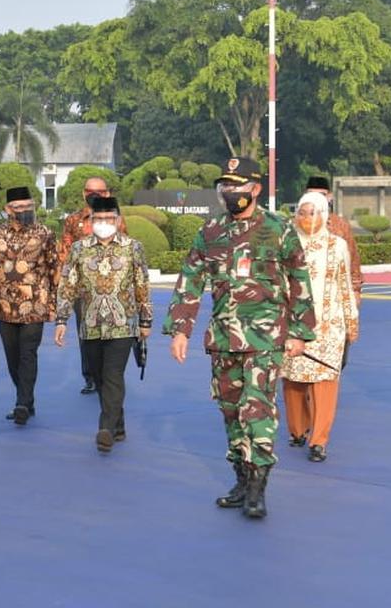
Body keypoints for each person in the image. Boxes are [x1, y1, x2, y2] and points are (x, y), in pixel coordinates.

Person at [164, 156, 316, 520]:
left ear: (256, 189)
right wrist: (181, 329)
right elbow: (191, 279)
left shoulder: (278, 229)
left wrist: (300, 332)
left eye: (237, 186)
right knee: (231, 411)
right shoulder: (211, 231)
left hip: (265, 341)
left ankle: (258, 488)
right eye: (225, 187)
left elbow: (300, 279)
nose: (230, 193)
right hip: (223, 339)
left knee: (258, 411)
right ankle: (241, 479)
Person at [54, 197, 151, 452]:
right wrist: (61, 319)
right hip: (90, 324)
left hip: (123, 323)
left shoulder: (133, 248)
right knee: (99, 376)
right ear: (90, 222)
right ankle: (117, 424)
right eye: (98, 219)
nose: (104, 223)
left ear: (118, 220)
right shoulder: (79, 249)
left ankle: (105, 428)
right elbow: (68, 285)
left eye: (109, 219)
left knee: (113, 375)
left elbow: (142, 285)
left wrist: (145, 320)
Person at [280, 192, 359, 462]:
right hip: (293, 324)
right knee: (294, 380)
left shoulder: (337, 245)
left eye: (311, 213)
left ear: (324, 214)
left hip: (329, 324)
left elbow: (345, 284)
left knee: (325, 380)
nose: (305, 218)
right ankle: (298, 430)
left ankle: (319, 440)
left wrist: (351, 320)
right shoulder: (285, 244)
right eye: (301, 212)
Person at [0, 186, 57, 425]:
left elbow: (55, 269)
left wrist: (55, 306)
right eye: (18, 207)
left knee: (28, 354)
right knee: (13, 358)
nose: (24, 211)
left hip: (36, 306)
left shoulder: (45, 233)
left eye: (28, 206)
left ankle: (22, 403)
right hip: (6, 308)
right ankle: (27, 398)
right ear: (7, 209)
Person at [60, 176, 112, 394]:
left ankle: (108, 376)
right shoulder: (73, 221)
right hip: (83, 291)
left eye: (99, 192)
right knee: (86, 334)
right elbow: (65, 254)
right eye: (90, 191)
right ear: (83, 193)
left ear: (107, 194)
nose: (94, 195)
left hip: (111, 289)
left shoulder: (115, 219)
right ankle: (90, 376)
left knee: (110, 333)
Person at [304, 176, 362, 303]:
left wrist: (356, 289)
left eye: (321, 195)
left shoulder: (340, 225)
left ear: (329, 197)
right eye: (311, 194)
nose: (316, 199)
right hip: (305, 292)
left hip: (335, 292)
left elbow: (353, 258)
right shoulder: (294, 225)